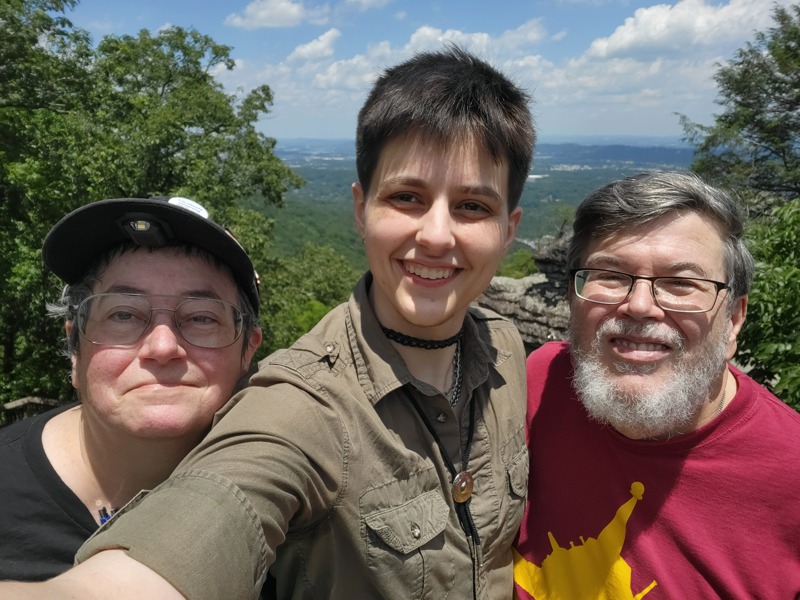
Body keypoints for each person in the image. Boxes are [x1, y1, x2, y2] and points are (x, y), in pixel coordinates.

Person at [0, 46, 535, 599]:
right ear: (360, 208)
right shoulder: (304, 406)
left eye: (473, 206)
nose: (437, 235)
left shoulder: (509, 353)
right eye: (406, 197)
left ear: (509, 227)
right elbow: (188, 535)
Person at [513, 171, 800, 598]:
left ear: (734, 319)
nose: (640, 305)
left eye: (682, 283)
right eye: (609, 275)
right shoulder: (542, 383)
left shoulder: (789, 474)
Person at [0, 195, 262, 581]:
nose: (162, 348)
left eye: (201, 317)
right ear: (75, 347)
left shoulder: (290, 511)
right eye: (123, 314)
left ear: (247, 351)